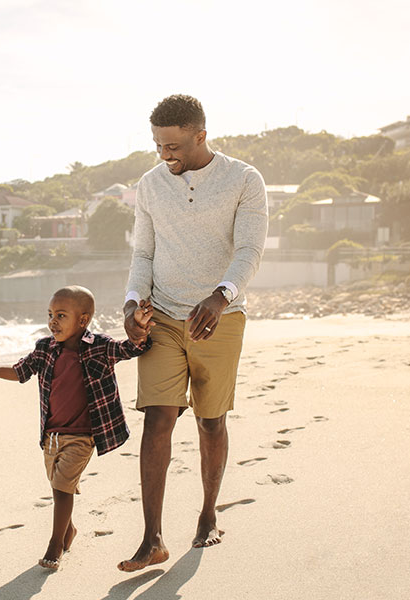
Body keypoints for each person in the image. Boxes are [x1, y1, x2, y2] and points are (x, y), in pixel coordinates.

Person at [119, 94, 268, 572]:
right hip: (161, 315)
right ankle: (152, 538)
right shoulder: (150, 184)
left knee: (210, 421)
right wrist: (130, 305)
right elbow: (143, 255)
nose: (166, 156)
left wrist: (220, 296)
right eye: (159, 146)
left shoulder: (244, 180)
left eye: (174, 147)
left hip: (220, 318)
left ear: (200, 135)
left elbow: (249, 249)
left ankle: (207, 514)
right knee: (157, 419)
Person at [0, 286, 151, 570]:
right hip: (50, 436)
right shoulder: (44, 349)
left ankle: (55, 543)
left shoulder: (98, 345)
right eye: (50, 315)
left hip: (82, 437)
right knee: (58, 485)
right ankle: (69, 529)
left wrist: (141, 328)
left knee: (62, 488)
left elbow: (130, 348)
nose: (53, 322)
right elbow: (21, 371)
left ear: (83, 320)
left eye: (61, 315)